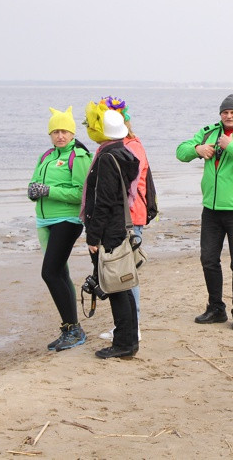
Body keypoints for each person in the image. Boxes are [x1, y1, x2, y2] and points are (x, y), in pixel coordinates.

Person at [176, 95, 233, 331]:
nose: (229, 116)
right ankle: (216, 308)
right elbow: (181, 152)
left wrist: (232, 146)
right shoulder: (208, 132)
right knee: (208, 260)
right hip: (211, 208)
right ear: (220, 114)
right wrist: (198, 149)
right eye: (225, 112)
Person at [29, 106, 91, 352]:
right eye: (55, 131)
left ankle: (74, 329)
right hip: (44, 221)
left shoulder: (79, 156)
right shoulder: (46, 156)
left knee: (50, 273)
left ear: (73, 133)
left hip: (67, 220)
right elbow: (35, 181)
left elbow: (81, 193)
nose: (60, 136)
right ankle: (70, 328)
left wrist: (49, 191)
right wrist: (33, 191)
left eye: (64, 131)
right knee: (60, 273)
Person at [82, 106, 140, 358]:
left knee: (116, 288)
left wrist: (93, 236)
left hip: (108, 231)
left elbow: (103, 201)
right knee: (122, 286)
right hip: (117, 227)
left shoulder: (107, 157)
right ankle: (127, 340)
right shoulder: (124, 153)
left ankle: (124, 344)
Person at [98, 97, 152, 343]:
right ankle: (126, 325)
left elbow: (122, 186)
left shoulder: (130, 147)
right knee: (120, 271)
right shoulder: (115, 146)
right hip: (123, 216)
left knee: (126, 271)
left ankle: (133, 326)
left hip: (129, 217)